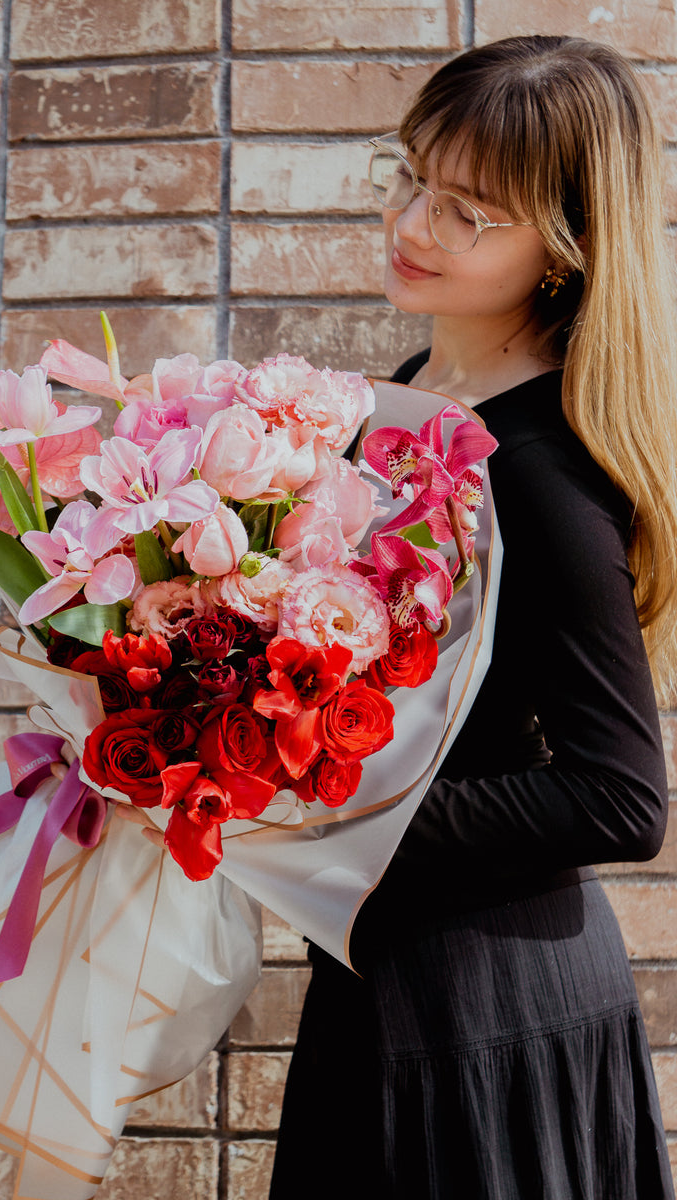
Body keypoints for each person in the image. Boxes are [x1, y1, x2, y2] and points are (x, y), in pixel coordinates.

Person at [269, 35, 677, 1200]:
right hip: (386, 985)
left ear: (564, 248)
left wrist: (330, 814)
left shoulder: (537, 467)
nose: (412, 225)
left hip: (482, 1026)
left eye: (468, 211)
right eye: (408, 178)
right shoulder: (411, 394)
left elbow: (618, 795)